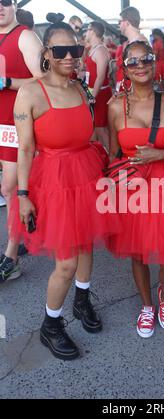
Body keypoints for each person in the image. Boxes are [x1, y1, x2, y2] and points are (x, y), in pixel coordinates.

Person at [9, 21, 119, 360]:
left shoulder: (80, 88)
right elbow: (25, 150)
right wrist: (24, 195)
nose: (70, 56)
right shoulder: (29, 93)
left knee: (86, 245)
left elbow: (88, 133)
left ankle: (82, 300)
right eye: (60, 51)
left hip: (84, 175)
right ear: (46, 55)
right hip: (52, 182)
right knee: (66, 263)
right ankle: (50, 325)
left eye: (76, 49)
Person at [107, 41, 164, 339]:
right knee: (138, 254)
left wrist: (161, 155)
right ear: (124, 67)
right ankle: (146, 306)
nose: (140, 65)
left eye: (146, 59)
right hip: (131, 187)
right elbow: (114, 155)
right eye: (133, 62)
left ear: (155, 63)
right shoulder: (115, 106)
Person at [0, 0, 42, 282]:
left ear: (14, 4)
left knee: (10, 188)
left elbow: (45, 78)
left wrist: (6, 82)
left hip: (16, 123)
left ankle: (11, 255)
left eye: (4, 1)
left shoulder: (25, 35)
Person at [84, 21, 112, 150]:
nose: (86, 32)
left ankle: (113, 158)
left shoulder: (100, 50)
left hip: (100, 93)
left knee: (101, 128)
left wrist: (92, 97)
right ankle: (99, 155)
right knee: (95, 128)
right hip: (94, 92)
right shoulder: (94, 49)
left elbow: (100, 76)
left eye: (88, 29)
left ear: (93, 32)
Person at [116, 6, 148, 93]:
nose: (119, 25)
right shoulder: (129, 42)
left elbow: (142, 74)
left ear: (126, 23)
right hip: (125, 90)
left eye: (120, 22)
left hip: (133, 94)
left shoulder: (140, 43)